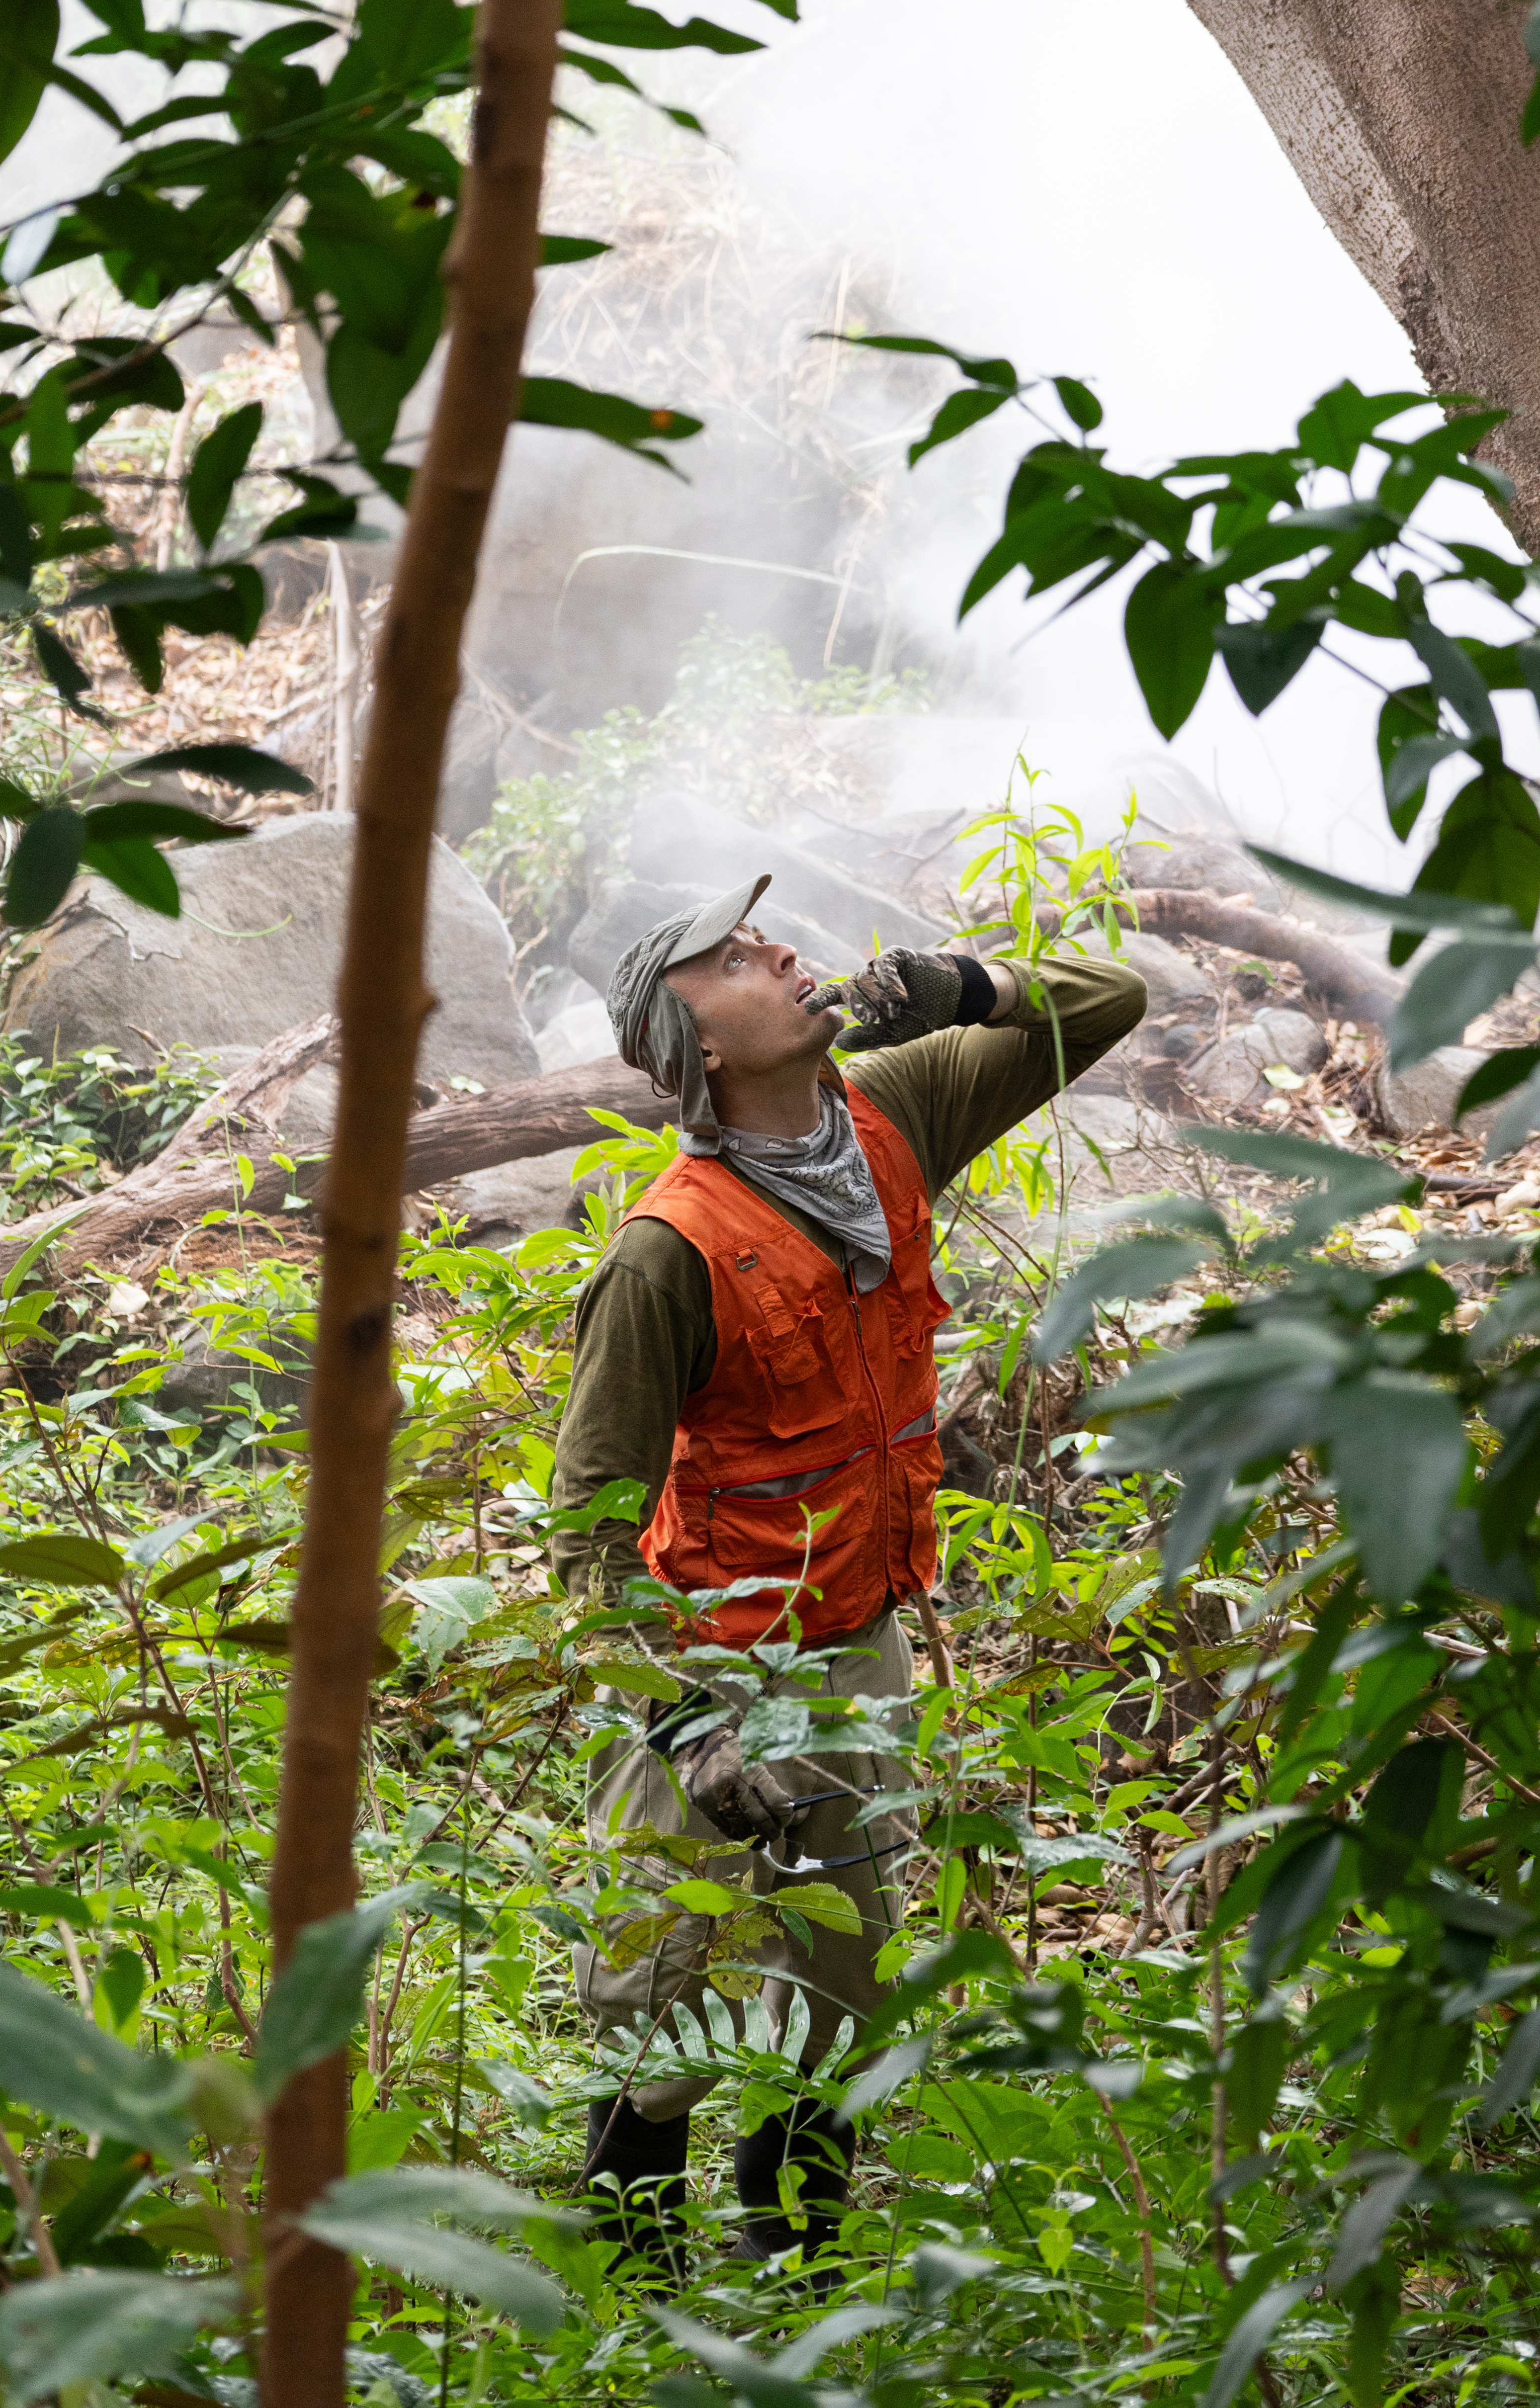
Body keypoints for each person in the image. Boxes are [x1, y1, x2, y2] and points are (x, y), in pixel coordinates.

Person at [549, 872, 1145, 2270]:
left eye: (768, 935)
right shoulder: (666, 1251)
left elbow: (1109, 1003)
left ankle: (801, 2267)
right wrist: (686, 1722)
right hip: (702, 1668)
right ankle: (639, 2296)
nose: (783, 951)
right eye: (738, 960)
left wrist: (968, 985)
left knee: (844, 1981)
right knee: (656, 2004)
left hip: (857, 1644)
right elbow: (587, 1520)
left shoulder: (897, 1109)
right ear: (695, 1048)